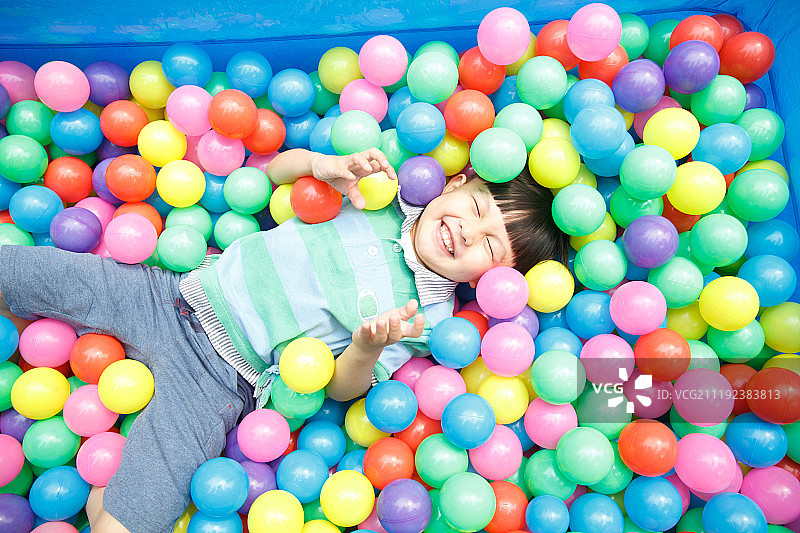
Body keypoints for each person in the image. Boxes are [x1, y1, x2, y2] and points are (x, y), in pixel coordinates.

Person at [0, 147, 568, 533]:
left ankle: (114, 502)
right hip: (171, 293)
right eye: (475, 209)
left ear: (488, 282)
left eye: (489, 247)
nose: (468, 230)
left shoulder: (425, 318)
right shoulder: (377, 190)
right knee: (36, 274)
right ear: (456, 182)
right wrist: (323, 164)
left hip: (222, 380)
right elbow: (273, 172)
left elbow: (346, 390)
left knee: (129, 516)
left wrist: (367, 346)